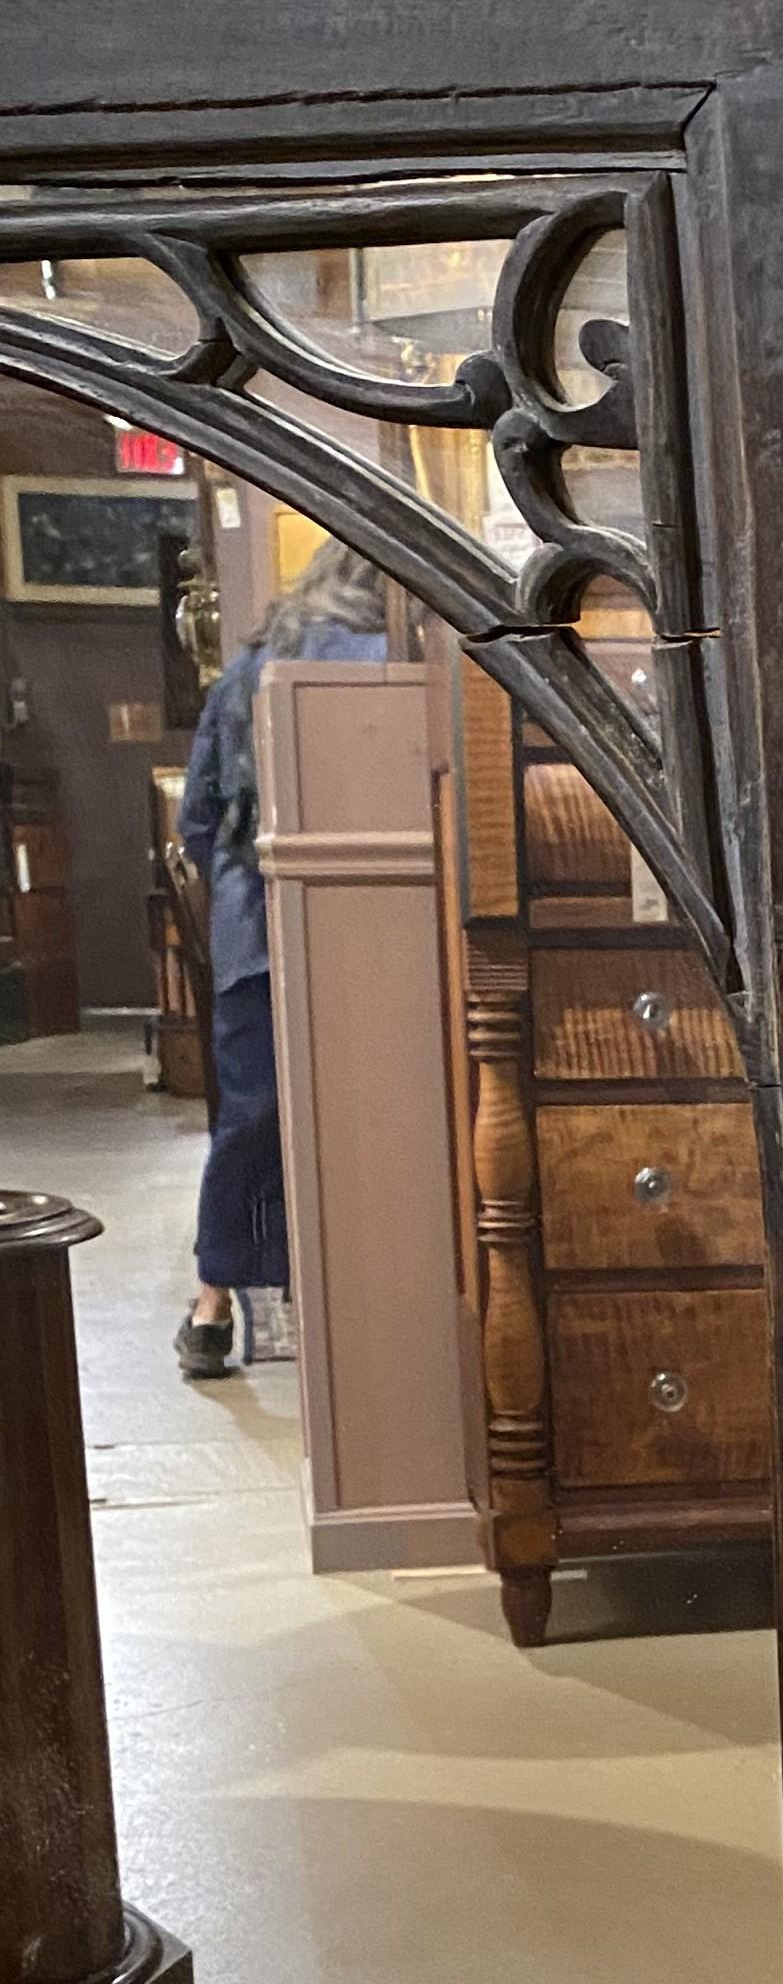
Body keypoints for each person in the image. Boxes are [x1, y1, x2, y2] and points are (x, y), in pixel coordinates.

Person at [175, 537, 388, 1379]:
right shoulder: (389, 655)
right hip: (373, 928)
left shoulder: (253, 664)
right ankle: (356, 1295)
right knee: (368, 1115)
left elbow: (197, 817)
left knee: (251, 1120)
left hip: (254, 935)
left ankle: (212, 1306)